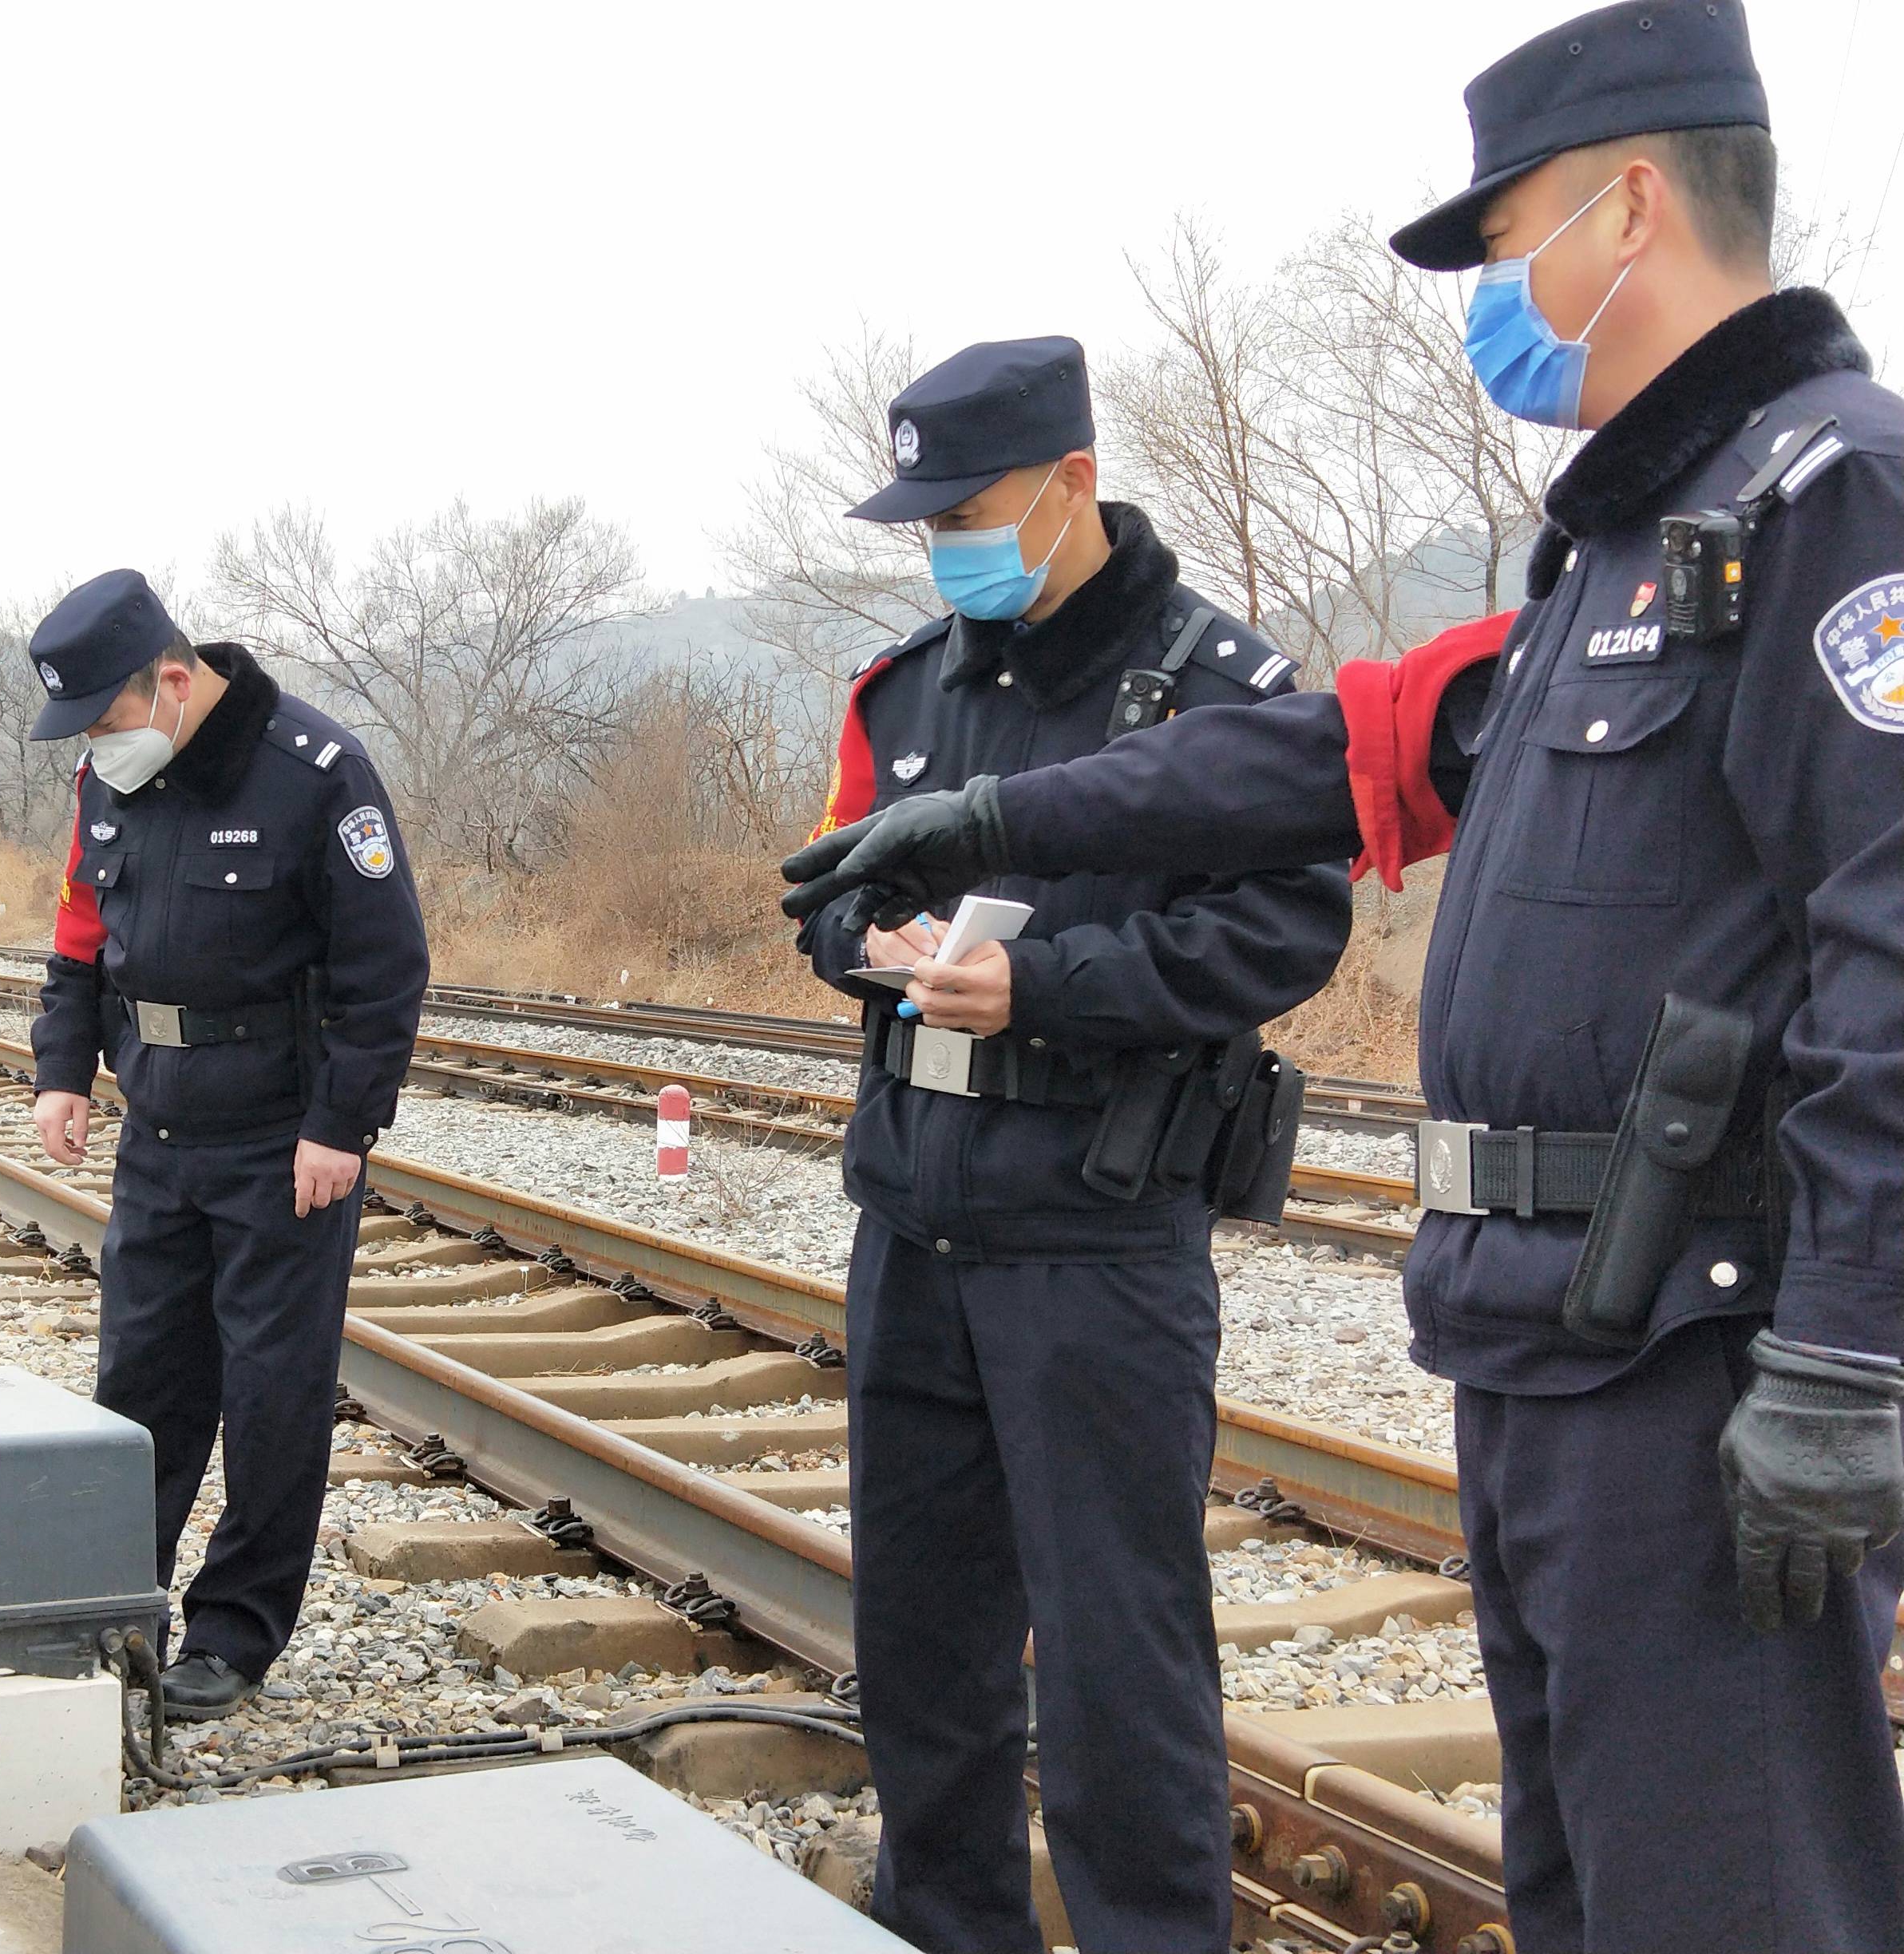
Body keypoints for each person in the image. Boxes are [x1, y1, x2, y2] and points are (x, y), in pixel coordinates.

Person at [782, 6, 1904, 1946]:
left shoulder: (1828, 501)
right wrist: (984, 831)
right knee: (1592, 1889)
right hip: (1548, 1345)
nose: (1491, 297)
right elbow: (1336, 750)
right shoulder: (1617, 556)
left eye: (1501, 242)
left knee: (1726, 1895)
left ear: (1631, 206)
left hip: (1702, 1360)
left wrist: (1855, 1343)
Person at [794, 337, 1350, 1953]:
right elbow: (826, 892)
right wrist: (875, 954)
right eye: (923, 521)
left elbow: (1282, 928)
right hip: (915, 1226)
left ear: (1071, 486)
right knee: (924, 1653)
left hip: (1098, 1240)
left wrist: (1042, 988)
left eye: (966, 511)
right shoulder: (906, 691)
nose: (943, 546)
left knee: (1121, 1666)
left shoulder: (1219, 691)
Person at [26, 568, 429, 1718]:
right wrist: (63, 1071)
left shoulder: (316, 773)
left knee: (270, 1396)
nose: (99, 747)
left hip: (279, 1140)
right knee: (140, 1383)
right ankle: (120, 1607)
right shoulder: (107, 786)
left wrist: (342, 1127)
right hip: (157, 1128)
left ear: (169, 679)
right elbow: (78, 940)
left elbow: (384, 967)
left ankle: (234, 1634)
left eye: (105, 720)